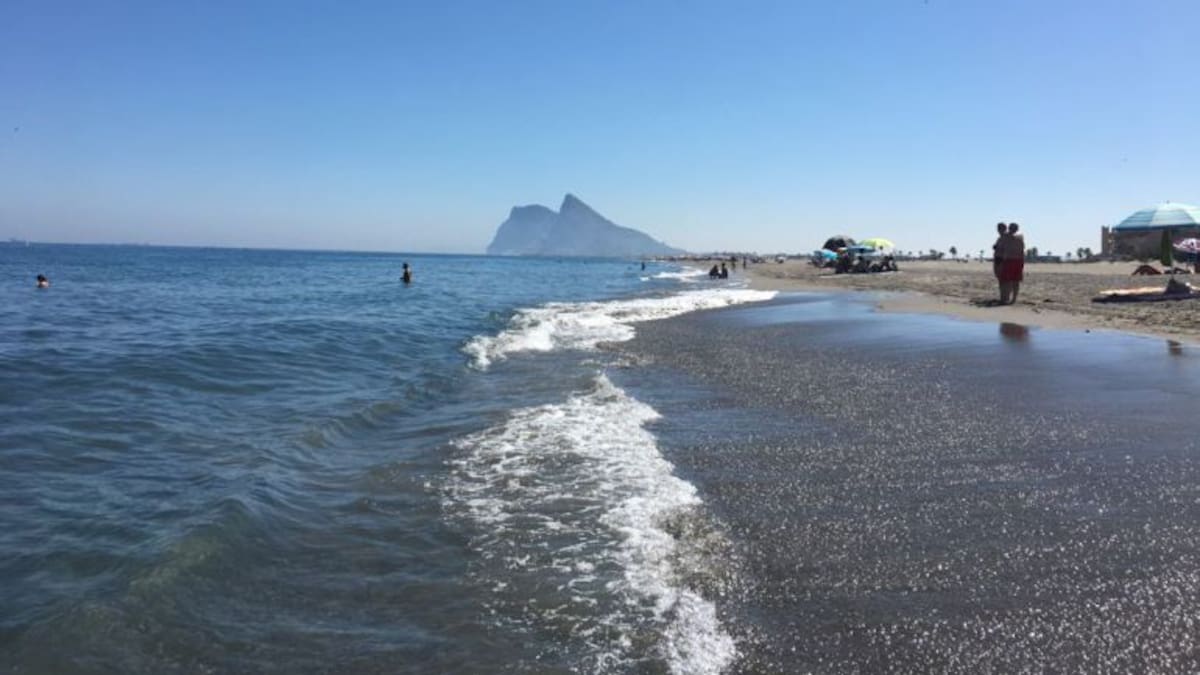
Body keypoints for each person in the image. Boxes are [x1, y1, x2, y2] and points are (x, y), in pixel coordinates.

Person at [998, 223, 1026, 304]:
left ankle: (1006, 298)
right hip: (1019, 260)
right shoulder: (1020, 237)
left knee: (1008, 280)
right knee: (1015, 281)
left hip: (1010, 260)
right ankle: (1013, 299)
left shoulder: (1006, 237)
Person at [991, 222, 1007, 302]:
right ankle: (1002, 297)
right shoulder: (999, 238)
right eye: (998, 228)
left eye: (1001, 228)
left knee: (1003, 279)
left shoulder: (1006, 237)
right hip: (997, 258)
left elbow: (1005, 249)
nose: (999, 230)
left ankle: (1004, 297)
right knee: (1000, 279)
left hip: (1002, 259)